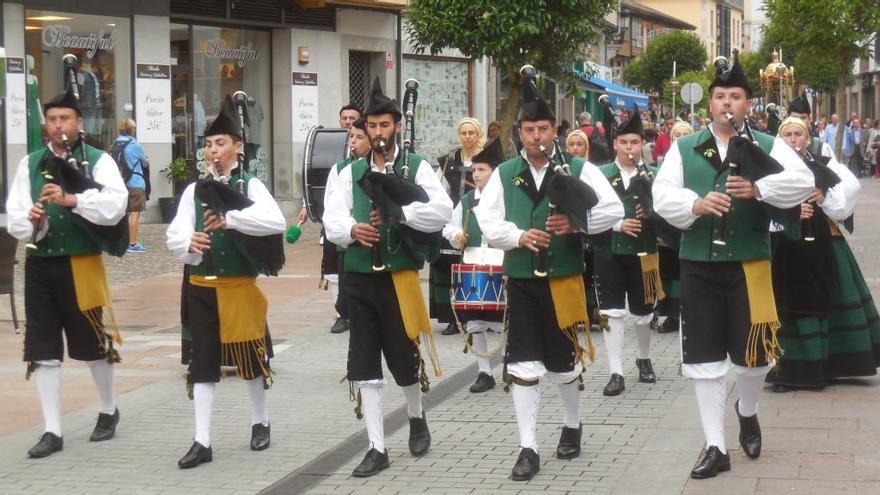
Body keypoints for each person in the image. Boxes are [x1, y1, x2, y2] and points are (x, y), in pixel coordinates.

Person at [652, 51, 813, 479]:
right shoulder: (685, 147)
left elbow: (802, 181)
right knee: (704, 358)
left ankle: (747, 408)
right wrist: (697, 203)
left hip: (750, 262)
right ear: (710, 104)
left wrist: (759, 189)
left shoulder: (765, 144)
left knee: (754, 357)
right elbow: (662, 195)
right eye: (720, 96)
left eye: (736, 96)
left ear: (748, 105)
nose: (727, 103)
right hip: (698, 263)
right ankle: (715, 446)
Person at [476, 75, 623, 481]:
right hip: (522, 280)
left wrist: (577, 224)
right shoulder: (505, 173)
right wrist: (519, 235)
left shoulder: (577, 167)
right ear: (518, 132)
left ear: (554, 131)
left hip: (563, 279)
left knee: (564, 362)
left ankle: (572, 424)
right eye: (528, 130)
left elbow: (612, 210)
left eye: (542, 129)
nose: (536, 136)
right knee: (522, 364)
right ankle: (528, 446)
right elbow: (488, 223)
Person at [323, 77, 452, 477]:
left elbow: (443, 211)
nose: (377, 133)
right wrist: (351, 231)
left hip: (399, 276)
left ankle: (416, 416)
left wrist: (402, 214)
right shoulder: (347, 171)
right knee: (364, 361)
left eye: (384, 125)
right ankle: (376, 446)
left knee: (403, 357)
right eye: (371, 126)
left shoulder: (417, 167)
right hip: (360, 275)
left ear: (397, 126)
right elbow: (332, 217)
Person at [6, 86, 128, 458]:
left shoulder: (98, 159)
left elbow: (116, 205)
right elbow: (14, 214)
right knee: (42, 348)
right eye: (53, 119)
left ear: (79, 123)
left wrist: (73, 199)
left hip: (82, 263)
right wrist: (31, 220)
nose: (58, 125)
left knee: (91, 343)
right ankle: (52, 429)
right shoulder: (30, 164)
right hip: (40, 265)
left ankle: (108, 409)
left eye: (65, 119)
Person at [166, 95, 286, 468]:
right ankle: (202, 440)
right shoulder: (194, 191)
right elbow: (175, 233)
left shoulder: (250, 185)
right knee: (202, 364)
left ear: (237, 147)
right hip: (202, 288)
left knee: (251, 359)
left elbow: (275, 222)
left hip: (238, 287)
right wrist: (189, 243)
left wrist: (231, 220)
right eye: (208, 145)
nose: (212, 151)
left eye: (220, 144)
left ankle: (260, 420)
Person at [768, 117, 878, 391]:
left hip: (826, 242)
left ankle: (833, 363)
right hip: (786, 247)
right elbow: (760, 202)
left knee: (832, 296)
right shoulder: (772, 166)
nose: (793, 139)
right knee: (789, 304)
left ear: (807, 138)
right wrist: (788, 212)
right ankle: (790, 369)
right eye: (788, 135)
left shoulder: (823, 163)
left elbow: (849, 191)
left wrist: (823, 196)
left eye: (798, 134)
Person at [592, 109, 662, 396]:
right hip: (608, 250)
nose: (629, 148)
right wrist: (618, 224)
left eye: (634, 142)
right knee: (612, 311)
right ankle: (616, 371)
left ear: (641, 144)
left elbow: (669, 213)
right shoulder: (600, 175)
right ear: (615, 144)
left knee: (644, 311)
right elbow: (589, 212)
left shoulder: (654, 174)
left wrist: (652, 212)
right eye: (624, 143)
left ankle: (643, 358)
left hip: (644, 250)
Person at [442, 138, 506, 393]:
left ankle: (510, 365)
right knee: (475, 321)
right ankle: (484, 371)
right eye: (475, 170)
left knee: (505, 319)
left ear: (494, 173)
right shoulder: (468, 200)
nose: (476, 174)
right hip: (472, 264)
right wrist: (457, 235)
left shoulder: (506, 200)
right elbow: (449, 225)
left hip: (500, 265)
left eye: (482, 170)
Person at [434, 117, 485, 335]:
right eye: (463, 133)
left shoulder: (486, 159)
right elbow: (438, 189)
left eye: (471, 133)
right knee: (449, 268)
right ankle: (452, 318)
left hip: (478, 215)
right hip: (453, 218)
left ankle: (481, 312)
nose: (467, 137)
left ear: (478, 134)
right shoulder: (449, 160)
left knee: (476, 264)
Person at [655, 121, 694, 335]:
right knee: (669, 273)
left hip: (691, 223)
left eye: (685, 134)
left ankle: (688, 313)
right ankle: (671, 314)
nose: (680, 137)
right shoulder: (663, 164)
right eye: (677, 134)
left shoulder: (696, 160)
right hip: (667, 228)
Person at [113, 118, 149, 252]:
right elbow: (145, 162)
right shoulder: (134, 144)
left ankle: (122, 241)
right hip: (135, 182)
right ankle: (132, 244)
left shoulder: (117, 143)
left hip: (122, 182)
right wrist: (147, 161)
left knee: (125, 214)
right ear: (131, 129)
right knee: (135, 213)